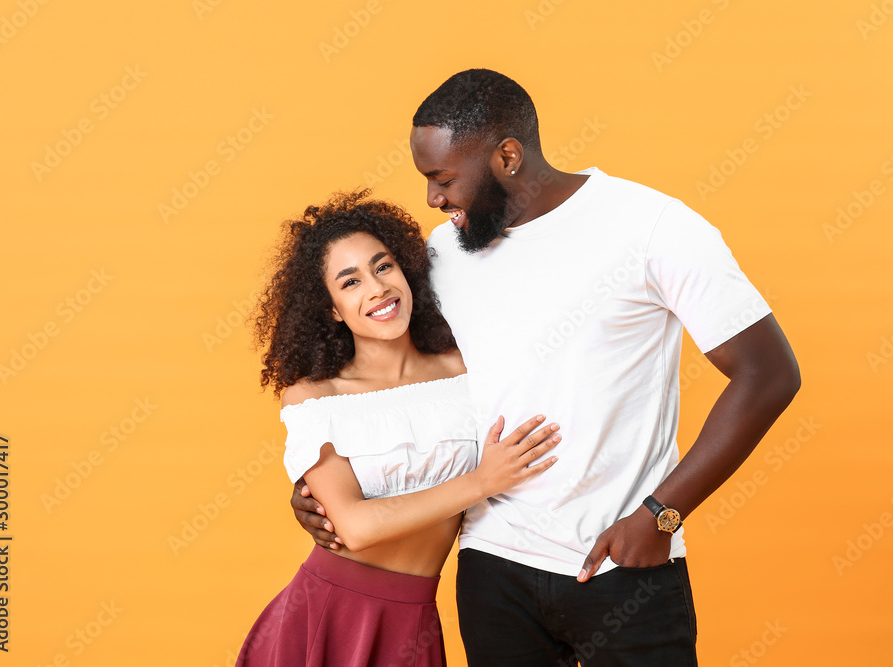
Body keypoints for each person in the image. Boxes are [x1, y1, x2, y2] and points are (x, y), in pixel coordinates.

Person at [293, 70, 802, 666]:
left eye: (443, 179)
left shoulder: (652, 227)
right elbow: (389, 380)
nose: (433, 199)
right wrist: (322, 489)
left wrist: (662, 514)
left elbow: (769, 372)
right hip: (491, 571)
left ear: (507, 156)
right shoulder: (441, 255)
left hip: (622, 562)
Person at [238, 189, 562, 666]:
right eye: (349, 282)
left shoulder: (467, 370)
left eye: (382, 266)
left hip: (415, 621)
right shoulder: (315, 398)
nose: (376, 288)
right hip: (325, 617)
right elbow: (355, 526)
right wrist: (481, 482)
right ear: (329, 307)